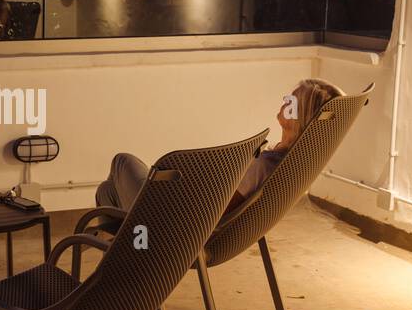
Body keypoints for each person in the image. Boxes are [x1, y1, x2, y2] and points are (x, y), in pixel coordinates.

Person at [96, 78, 345, 219]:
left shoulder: (264, 167)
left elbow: (217, 213)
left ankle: (122, 259)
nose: (284, 100)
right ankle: (117, 257)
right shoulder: (286, 163)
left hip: (174, 227)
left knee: (122, 162)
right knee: (108, 192)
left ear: (299, 117)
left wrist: (188, 192)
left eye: (291, 100)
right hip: (183, 212)